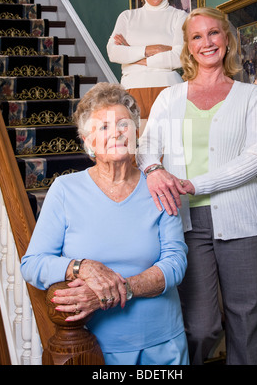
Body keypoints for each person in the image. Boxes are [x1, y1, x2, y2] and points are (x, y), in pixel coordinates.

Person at [136, 7, 257, 365]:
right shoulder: (170, 97)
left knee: (244, 319)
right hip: (185, 223)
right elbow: (146, 148)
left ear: (226, 40)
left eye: (214, 33)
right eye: (197, 36)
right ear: (188, 47)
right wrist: (153, 170)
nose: (206, 42)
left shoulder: (250, 95)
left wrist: (195, 183)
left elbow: (255, 159)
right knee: (201, 326)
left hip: (244, 223)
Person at [20, 82, 189, 366]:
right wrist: (80, 266)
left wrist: (115, 291)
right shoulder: (64, 190)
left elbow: (175, 262)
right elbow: (32, 264)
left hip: (163, 344)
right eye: (104, 128)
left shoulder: (158, 187)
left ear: (136, 133)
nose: (116, 133)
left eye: (124, 124)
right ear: (88, 142)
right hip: (93, 349)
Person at [107, 0, 187, 131]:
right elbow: (113, 52)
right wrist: (152, 49)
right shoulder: (127, 17)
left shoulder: (180, 17)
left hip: (170, 90)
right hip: (131, 93)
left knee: (173, 154)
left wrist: (132, 54)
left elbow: (180, 57)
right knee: (133, 154)